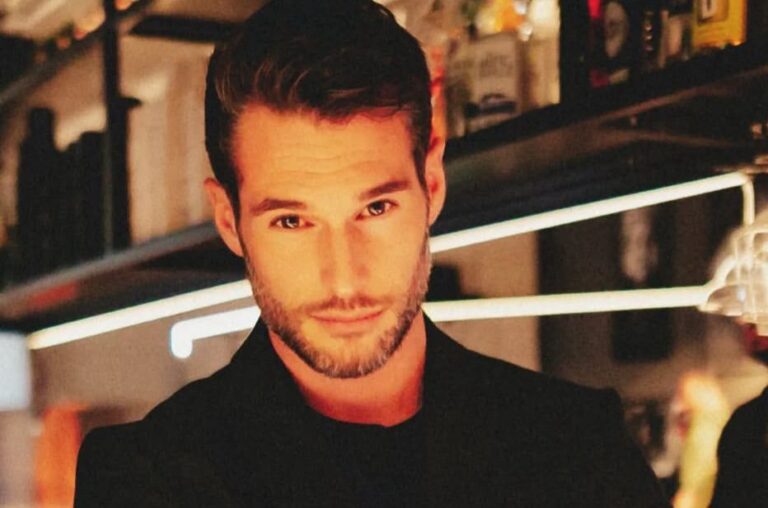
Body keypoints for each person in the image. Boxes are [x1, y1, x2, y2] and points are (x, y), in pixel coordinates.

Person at [74, 0, 668, 506]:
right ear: (229, 220)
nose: (344, 276)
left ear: (432, 183)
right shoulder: (146, 477)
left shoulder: (576, 446)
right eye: (292, 221)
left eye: (375, 209)